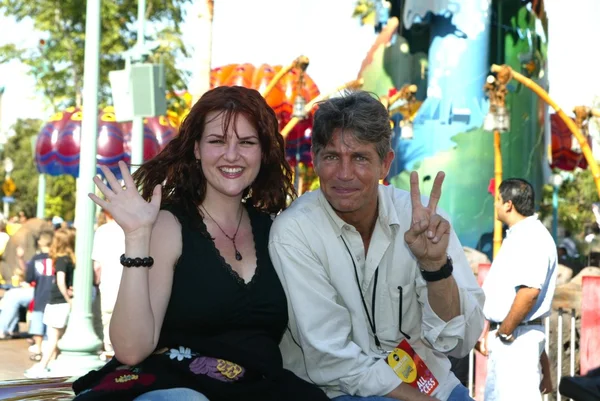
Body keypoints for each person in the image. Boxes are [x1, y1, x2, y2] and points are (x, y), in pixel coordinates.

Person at [72, 86, 329, 401]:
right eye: (217, 141)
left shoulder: (277, 230)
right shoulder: (170, 225)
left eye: (246, 142)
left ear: (263, 151)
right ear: (196, 149)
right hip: (173, 386)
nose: (231, 155)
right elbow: (131, 349)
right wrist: (138, 237)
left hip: (259, 387)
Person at [268, 91, 485, 401]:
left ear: (385, 164)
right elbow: (331, 357)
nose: (344, 174)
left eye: (360, 158)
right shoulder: (294, 232)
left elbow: (459, 340)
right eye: (332, 157)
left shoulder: (422, 218)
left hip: (434, 385)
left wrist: (436, 269)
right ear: (314, 160)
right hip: (338, 392)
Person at [477, 178, 557, 401]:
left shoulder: (531, 237)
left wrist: (503, 330)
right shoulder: (521, 235)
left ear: (508, 205)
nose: (495, 205)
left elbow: (530, 292)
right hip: (514, 336)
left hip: (514, 340)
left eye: (498, 200)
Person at [25, 227, 76, 378]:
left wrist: (67, 298)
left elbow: (60, 281)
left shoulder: (61, 259)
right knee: (56, 337)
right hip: (60, 302)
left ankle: (43, 365)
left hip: (57, 302)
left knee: (52, 338)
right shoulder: (69, 259)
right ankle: (49, 364)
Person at [92, 209, 125, 358]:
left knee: (107, 317)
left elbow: (97, 265)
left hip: (108, 280)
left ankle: (110, 350)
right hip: (127, 281)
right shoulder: (128, 228)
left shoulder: (102, 231)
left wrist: (95, 281)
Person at [23, 231, 55, 361]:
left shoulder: (35, 259)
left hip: (40, 296)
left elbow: (29, 277)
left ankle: (38, 348)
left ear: (40, 243)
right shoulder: (56, 258)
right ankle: (50, 353)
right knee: (51, 328)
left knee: (38, 325)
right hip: (53, 297)